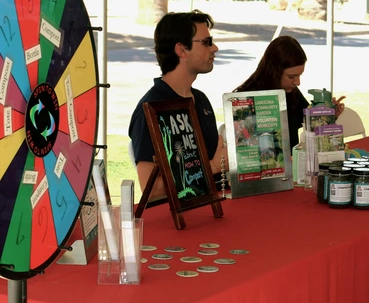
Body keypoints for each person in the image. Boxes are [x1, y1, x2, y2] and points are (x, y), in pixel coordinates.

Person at [128, 11, 225, 199]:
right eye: (206, 42)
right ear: (181, 50)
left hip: (210, 210)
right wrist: (213, 167)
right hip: (176, 221)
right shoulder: (150, 109)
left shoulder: (201, 100)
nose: (215, 48)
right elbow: (151, 190)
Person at [234, 36, 345, 152]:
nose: (297, 82)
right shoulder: (245, 100)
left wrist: (328, 115)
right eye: (291, 77)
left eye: (299, 75)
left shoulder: (290, 91)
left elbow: (310, 122)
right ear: (274, 71)